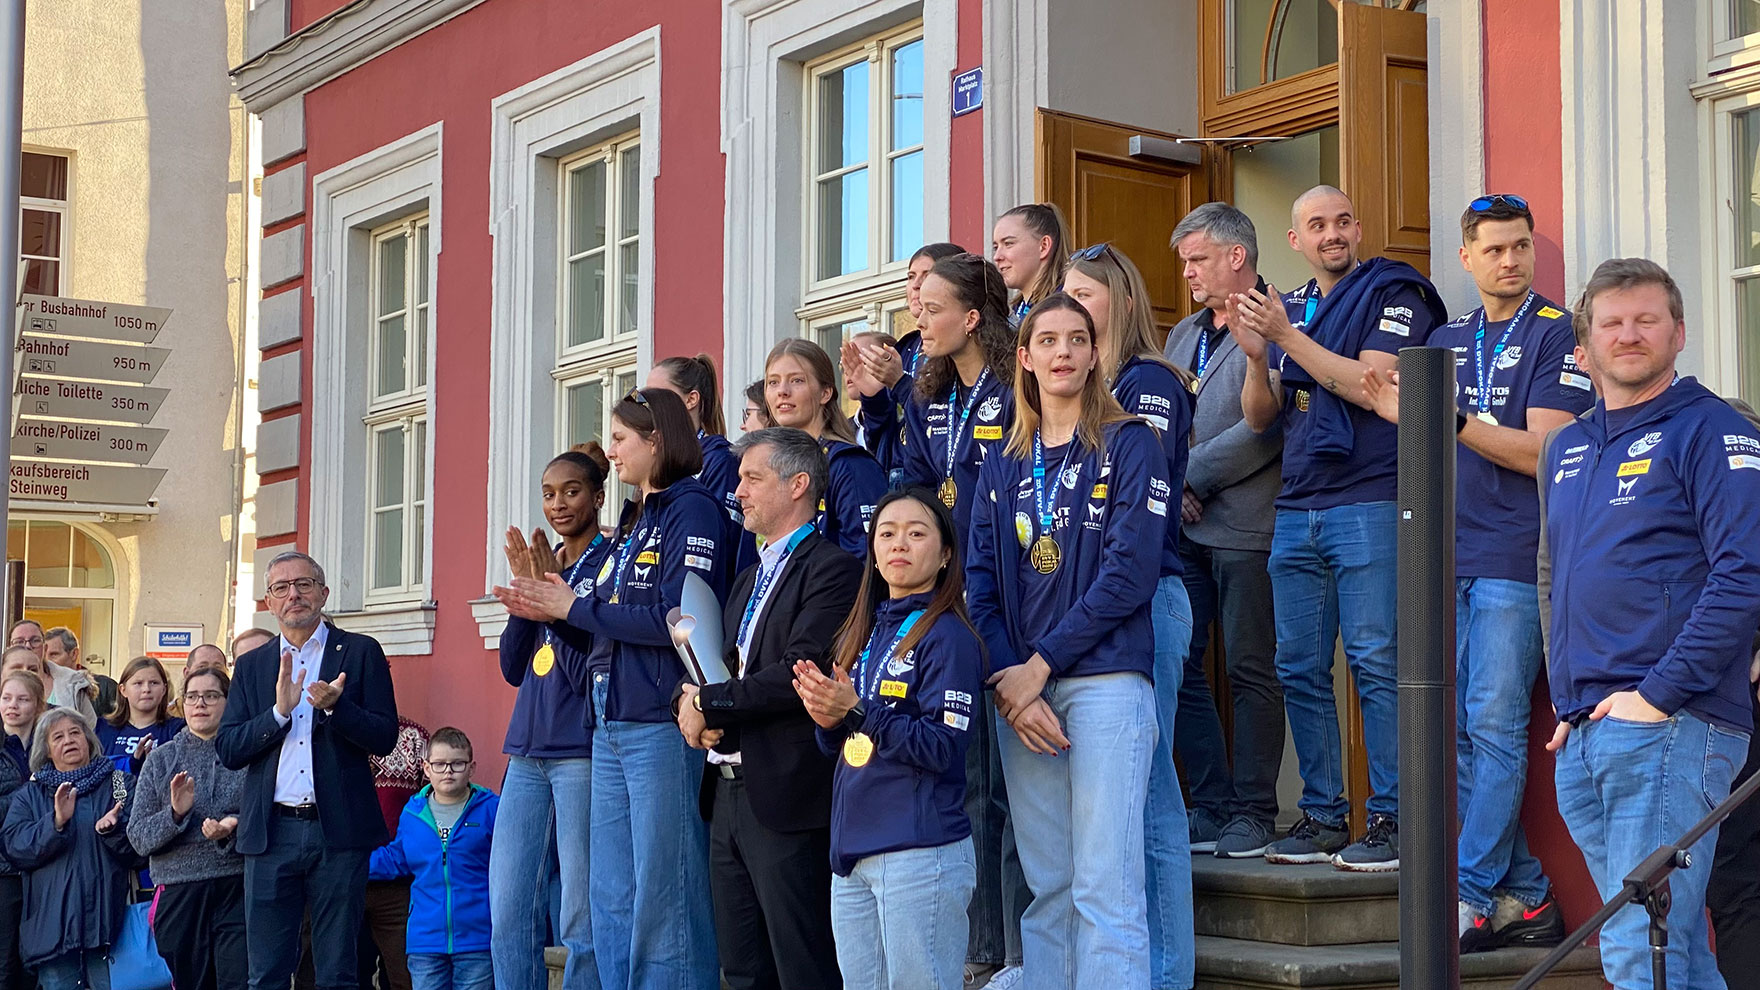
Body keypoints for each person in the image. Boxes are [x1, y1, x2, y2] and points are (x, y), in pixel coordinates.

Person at [1358, 194, 1582, 948]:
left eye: (1520, 246)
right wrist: (1409, 416)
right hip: (1444, 555)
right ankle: (1529, 894)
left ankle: (1472, 893)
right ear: (1466, 257)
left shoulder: (1560, 332)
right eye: (1493, 249)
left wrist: (1444, 418)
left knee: (1491, 724)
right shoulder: (1448, 337)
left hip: (1520, 558)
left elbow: (1546, 455)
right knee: (1454, 730)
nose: (1509, 261)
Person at [1539, 258, 1760, 989]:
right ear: (1584, 348)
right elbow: (1552, 575)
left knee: (1640, 949)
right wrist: (1570, 700)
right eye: (1612, 322)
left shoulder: (1711, 430)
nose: (1629, 334)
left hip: (1673, 722)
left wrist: (1656, 695)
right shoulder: (1565, 448)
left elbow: (1743, 575)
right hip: (1589, 725)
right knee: (1675, 953)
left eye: (1646, 320)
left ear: (1680, 333)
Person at [1231, 184, 1445, 871]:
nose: (1333, 234)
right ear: (1295, 240)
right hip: (1296, 507)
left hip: (1368, 502)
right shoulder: (1289, 308)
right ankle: (1323, 813)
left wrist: (1286, 338)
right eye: (1317, 225)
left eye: (1343, 221)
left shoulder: (1395, 295)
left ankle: (1393, 817)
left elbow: (1372, 386)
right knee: (1297, 666)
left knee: (1376, 662)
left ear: (1359, 229)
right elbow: (1262, 417)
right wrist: (1257, 356)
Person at [494, 387, 727, 990]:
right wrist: (547, 613)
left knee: (662, 889)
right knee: (610, 894)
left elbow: (678, 620)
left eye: (622, 439)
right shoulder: (634, 524)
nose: (613, 451)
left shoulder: (690, 510)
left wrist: (571, 606)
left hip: (657, 717)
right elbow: (597, 633)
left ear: (656, 441)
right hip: (608, 719)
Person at [967, 292, 1169, 989]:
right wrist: (1016, 690)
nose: (1062, 352)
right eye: (1046, 340)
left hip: (1107, 683)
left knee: (1104, 888)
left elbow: (1130, 574)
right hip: (1025, 700)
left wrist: (1041, 665)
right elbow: (982, 591)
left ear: (1093, 354)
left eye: (1076, 339)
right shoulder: (1000, 468)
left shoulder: (1132, 440)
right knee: (1048, 887)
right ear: (1023, 358)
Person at [673, 428, 862, 990]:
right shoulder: (751, 574)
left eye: (753, 478)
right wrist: (688, 704)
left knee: (802, 966)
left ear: (798, 484)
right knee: (741, 972)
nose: (739, 491)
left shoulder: (833, 568)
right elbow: (721, 664)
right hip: (726, 791)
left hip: (786, 793)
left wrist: (709, 703)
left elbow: (795, 675)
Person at [877, 251, 1021, 988]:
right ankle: (978, 943)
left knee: (1002, 784)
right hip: (944, 596)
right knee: (967, 778)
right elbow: (911, 485)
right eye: (918, 306)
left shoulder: (1013, 386)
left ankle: (1010, 951)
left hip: (1002, 596)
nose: (918, 319)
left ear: (972, 317)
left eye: (932, 308)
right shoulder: (926, 393)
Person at [1064, 243, 1198, 990]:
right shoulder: (1092, 388)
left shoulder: (1146, 380)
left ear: (1118, 299)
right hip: (1101, 609)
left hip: (1147, 599)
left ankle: (1166, 973)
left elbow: (1133, 488)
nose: (1071, 308)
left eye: (1085, 295)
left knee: (1147, 803)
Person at [794, 488, 984, 990]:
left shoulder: (949, 636)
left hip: (920, 851)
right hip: (853, 852)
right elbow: (844, 744)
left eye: (917, 533)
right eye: (887, 534)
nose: (899, 543)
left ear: (946, 555)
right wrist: (827, 717)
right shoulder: (867, 629)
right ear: (873, 553)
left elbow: (943, 746)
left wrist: (856, 710)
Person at [1162, 203, 1287, 861]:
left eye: (1197, 259)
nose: (1187, 273)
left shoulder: (1279, 317)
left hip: (1246, 528)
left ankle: (1254, 812)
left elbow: (1266, 427)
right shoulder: (1184, 333)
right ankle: (1208, 804)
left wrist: (1190, 477)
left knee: (1249, 668)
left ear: (1237, 256)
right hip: (1183, 532)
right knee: (1180, 661)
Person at [215, 550, 400, 990]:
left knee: (337, 970)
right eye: (281, 587)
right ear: (268, 601)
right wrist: (278, 714)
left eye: (303, 584)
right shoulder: (254, 664)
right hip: (270, 832)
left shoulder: (359, 652)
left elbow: (384, 736)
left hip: (335, 831)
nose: (293, 594)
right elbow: (229, 747)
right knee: (266, 972)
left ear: (323, 592)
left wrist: (339, 709)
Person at [492, 445, 613, 990]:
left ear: (598, 497)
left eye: (571, 491)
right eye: (548, 494)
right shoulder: (548, 565)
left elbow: (591, 667)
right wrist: (525, 595)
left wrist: (551, 605)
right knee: (509, 906)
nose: (558, 504)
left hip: (582, 751)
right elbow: (514, 667)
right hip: (526, 751)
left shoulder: (611, 562)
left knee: (580, 910)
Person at [2, 706, 140, 990]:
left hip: (111, 928)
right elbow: (15, 847)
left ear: (89, 740)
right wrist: (54, 823)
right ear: (47, 751)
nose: (69, 741)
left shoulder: (119, 783)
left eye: (75, 733)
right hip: (52, 932)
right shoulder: (31, 793)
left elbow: (141, 847)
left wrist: (114, 830)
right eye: (58, 737)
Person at [127, 666, 248, 990]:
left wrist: (233, 826)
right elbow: (138, 837)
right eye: (193, 696)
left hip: (236, 885)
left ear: (228, 701)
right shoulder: (161, 759)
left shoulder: (246, 755)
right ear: (182, 703)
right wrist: (176, 815)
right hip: (179, 890)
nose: (200, 704)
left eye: (211, 696)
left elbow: (269, 817)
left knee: (238, 981)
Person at [369, 727, 498, 990]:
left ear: (472, 768)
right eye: (439, 764)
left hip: (477, 940)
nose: (448, 771)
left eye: (457, 764)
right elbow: (397, 857)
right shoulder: (413, 813)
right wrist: (353, 866)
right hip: (425, 942)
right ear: (426, 769)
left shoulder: (491, 809)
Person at [846, 242, 967, 480]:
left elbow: (944, 420)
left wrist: (900, 383)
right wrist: (873, 399)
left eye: (927, 274)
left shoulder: (957, 346)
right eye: (911, 276)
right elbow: (880, 435)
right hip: (898, 478)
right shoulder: (905, 348)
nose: (916, 285)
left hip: (940, 478)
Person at [761, 339, 888, 557]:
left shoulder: (850, 465)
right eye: (773, 382)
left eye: (797, 380)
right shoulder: (766, 466)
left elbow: (865, 561)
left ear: (825, 393)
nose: (782, 391)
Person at [652, 354, 750, 577]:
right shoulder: (655, 461)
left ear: (691, 400)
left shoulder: (720, 460)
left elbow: (724, 542)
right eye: (645, 397)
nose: (648, 405)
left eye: (658, 396)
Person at [0, 669, 45, 990]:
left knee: (35, 963)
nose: (12, 705)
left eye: (22, 699)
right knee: (5, 962)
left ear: (39, 706)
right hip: (4, 871)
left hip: (44, 868)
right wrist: (27, 794)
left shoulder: (50, 748)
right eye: (6, 698)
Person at [98, 655, 185, 774]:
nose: (146, 689)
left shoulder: (178, 729)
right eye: (138, 683)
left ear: (164, 690)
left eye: (154, 683)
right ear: (123, 690)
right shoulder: (103, 728)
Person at [992, 204, 1071, 326]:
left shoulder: (1062, 306)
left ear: (1044, 246)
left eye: (1008, 244)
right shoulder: (1019, 308)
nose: (997, 257)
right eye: (996, 247)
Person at [11, 622, 90, 718]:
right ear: (9, 648)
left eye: (35, 640)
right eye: (19, 641)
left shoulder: (73, 683)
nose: (27, 646)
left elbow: (90, 728)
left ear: (45, 648)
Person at [45, 628, 113, 720]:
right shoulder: (37, 687)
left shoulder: (106, 687)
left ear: (74, 654)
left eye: (54, 655)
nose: (47, 661)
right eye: (44, 656)